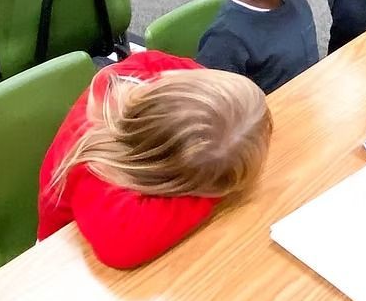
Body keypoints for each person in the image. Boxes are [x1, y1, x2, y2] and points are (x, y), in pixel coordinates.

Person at [38, 51, 272, 269]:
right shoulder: (96, 164)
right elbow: (120, 248)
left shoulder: (166, 81)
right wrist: (218, 188)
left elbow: (228, 117)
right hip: (59, 261)